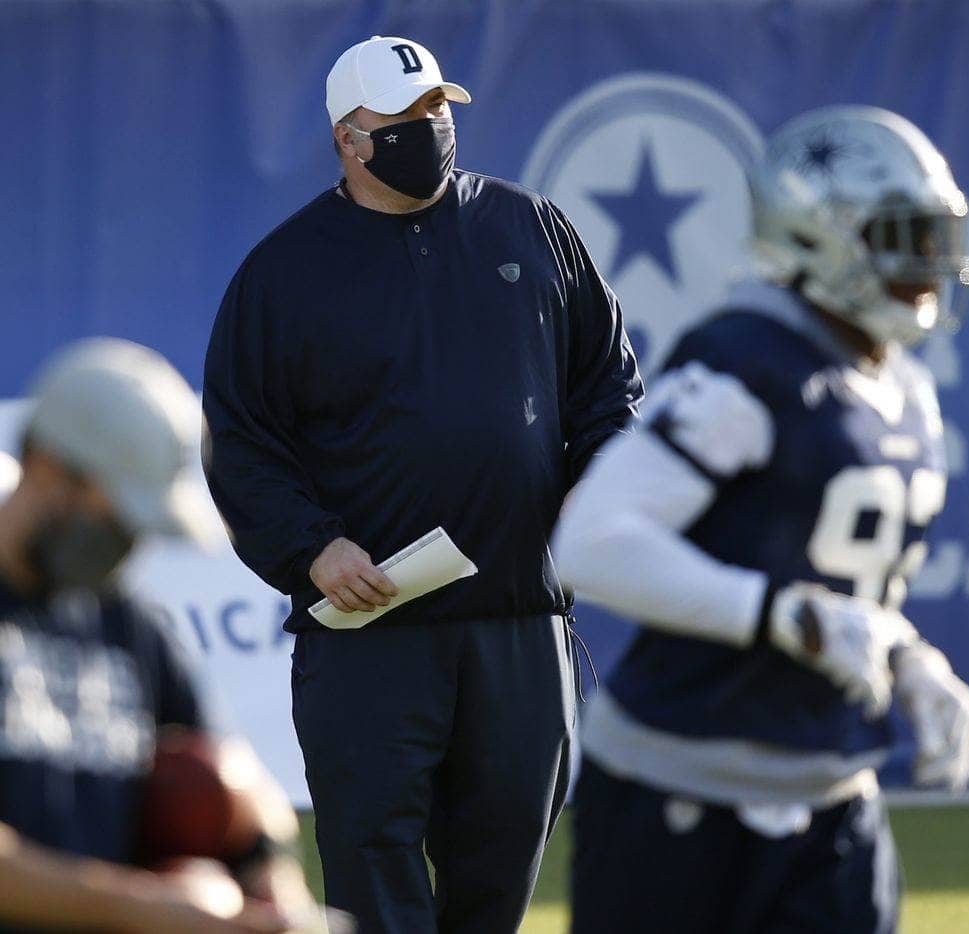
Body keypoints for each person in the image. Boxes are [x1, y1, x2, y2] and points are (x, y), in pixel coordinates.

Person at [201, 35, 641, 934]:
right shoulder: (285, 271)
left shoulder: (532, 228)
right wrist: (311, 547)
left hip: (520, 619)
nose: (430, 129)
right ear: (349, 139)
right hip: (371, 631)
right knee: (372, 864)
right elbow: (240, 442)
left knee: (505, 854)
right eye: (403, 117)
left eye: (438, 108)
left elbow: (607, 389)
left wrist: (598, 498)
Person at [552, 105, 969, 934]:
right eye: (902, 235)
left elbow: (843, 594)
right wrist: (782, 617)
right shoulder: (748, 364)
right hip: (678, 790)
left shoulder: (906, 393)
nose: (929, 264)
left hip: (830, 794)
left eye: (936, 237)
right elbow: (593, 544)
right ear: (821, 235)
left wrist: (911, 657)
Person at [0, 338, 312, 933]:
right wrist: (138, 908)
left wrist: (273, 884)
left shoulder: (128, 625)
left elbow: (233, 781)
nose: (127, 543)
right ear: (46, 465)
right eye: (117, 514)